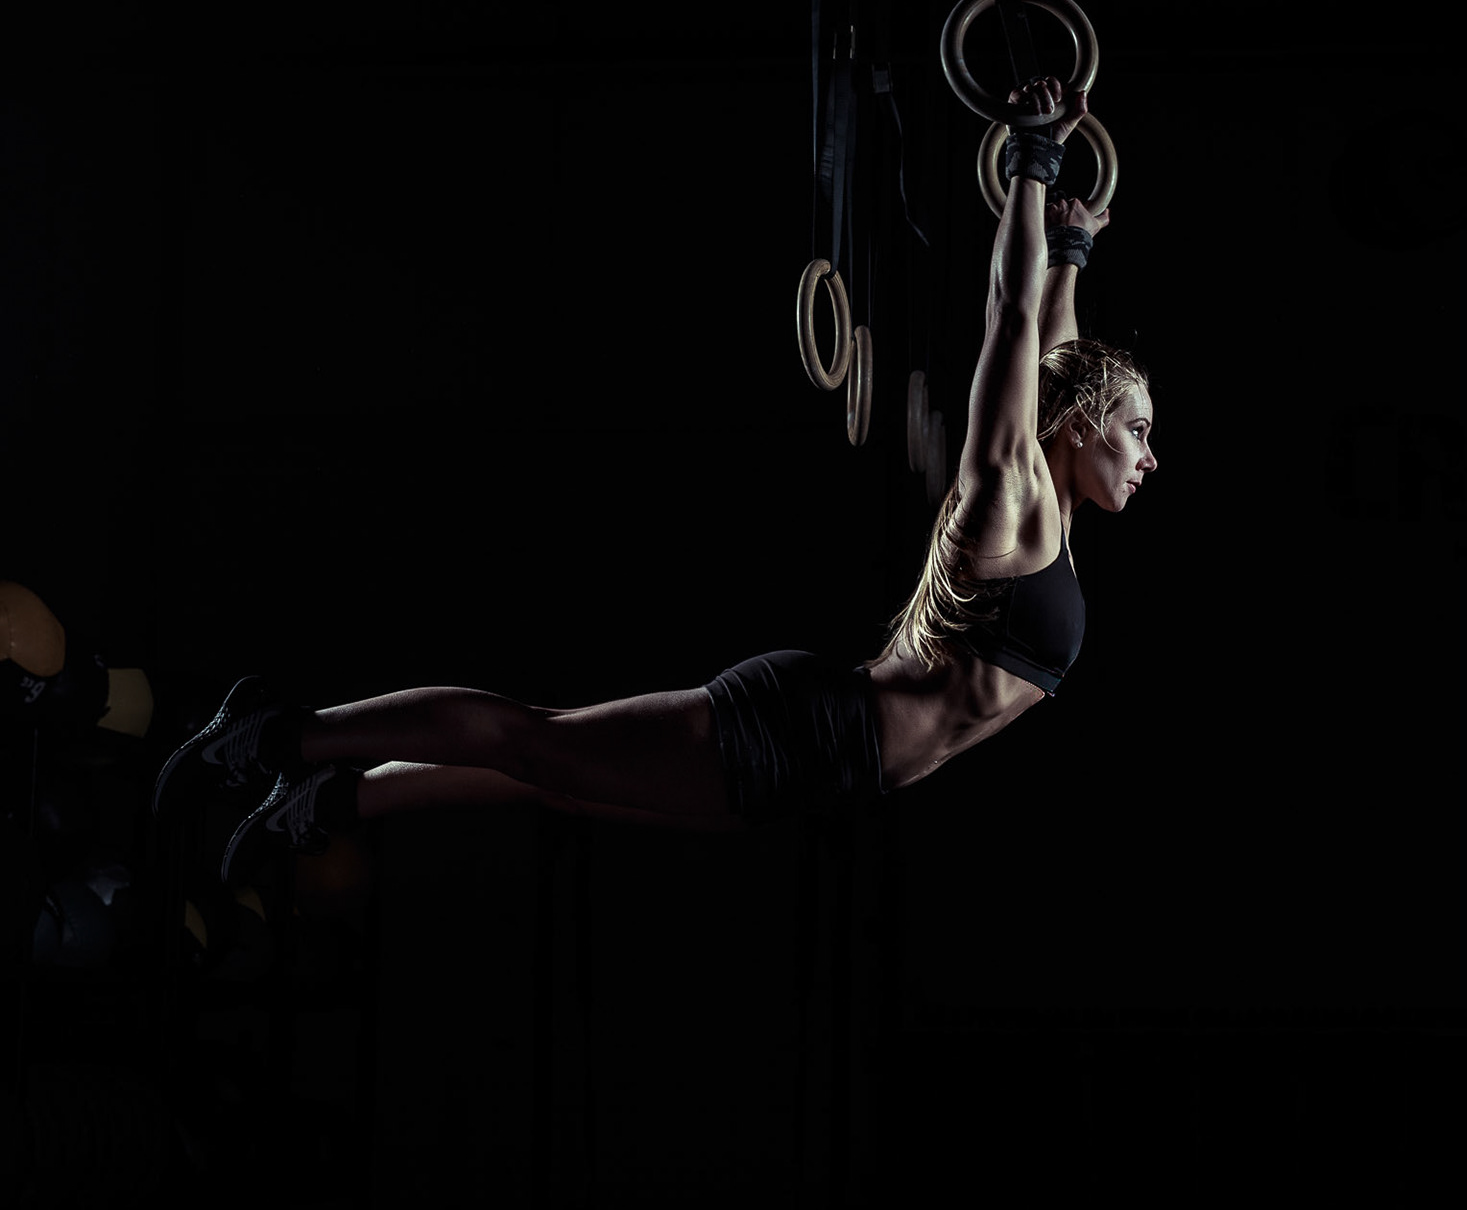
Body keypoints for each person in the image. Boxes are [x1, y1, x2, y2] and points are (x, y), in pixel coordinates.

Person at [152, 77, 1158, 881]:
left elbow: (1057, 348)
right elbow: (1016, 327)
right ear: (1078, 430)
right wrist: (1030, 160)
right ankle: (281, 733)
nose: (1151, 456)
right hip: (806, 731)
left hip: (822, 772)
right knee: (533, 739)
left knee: (545, 778)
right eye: (1139, 430)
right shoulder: (1011, 504)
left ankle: (329, 801)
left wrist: (1069, 242)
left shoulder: (1053, 516)